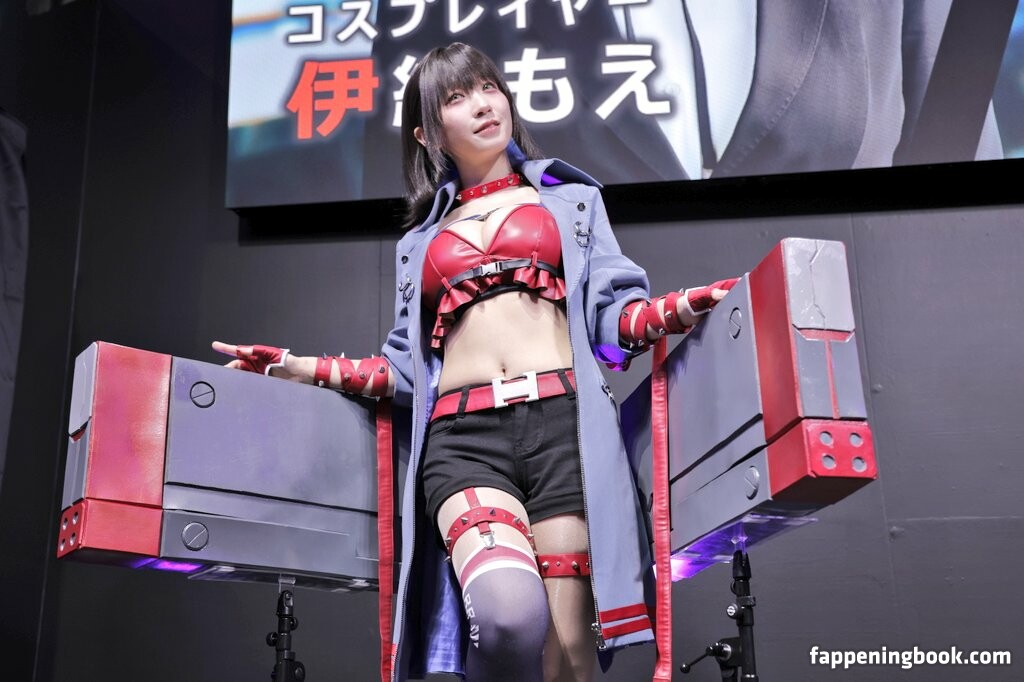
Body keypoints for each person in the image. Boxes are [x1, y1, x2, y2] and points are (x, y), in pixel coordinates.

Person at [214, 42, 735, 682]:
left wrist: (680, 308)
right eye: (457, 98)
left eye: (489, 87)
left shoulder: (573, 202)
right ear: (428, 133)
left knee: (569, 657)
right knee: (508, 614)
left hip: (566, 433)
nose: (483, 105)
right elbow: (404, 372)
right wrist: (296, 367)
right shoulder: (419, 243)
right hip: (464, 442)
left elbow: (612, 321)